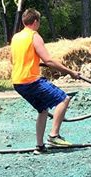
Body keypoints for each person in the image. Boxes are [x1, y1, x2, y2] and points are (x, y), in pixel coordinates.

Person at [10, 9, 81, 153]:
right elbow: (48, 60)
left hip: (18, 82)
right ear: (35, 21)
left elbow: (13, 60)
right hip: (31, 81)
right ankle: (54, 136)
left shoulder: (16, 37)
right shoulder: (34, 36)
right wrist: (71, 72)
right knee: (64, 99)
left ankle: (40, 146)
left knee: (43, 110)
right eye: (39, 22)